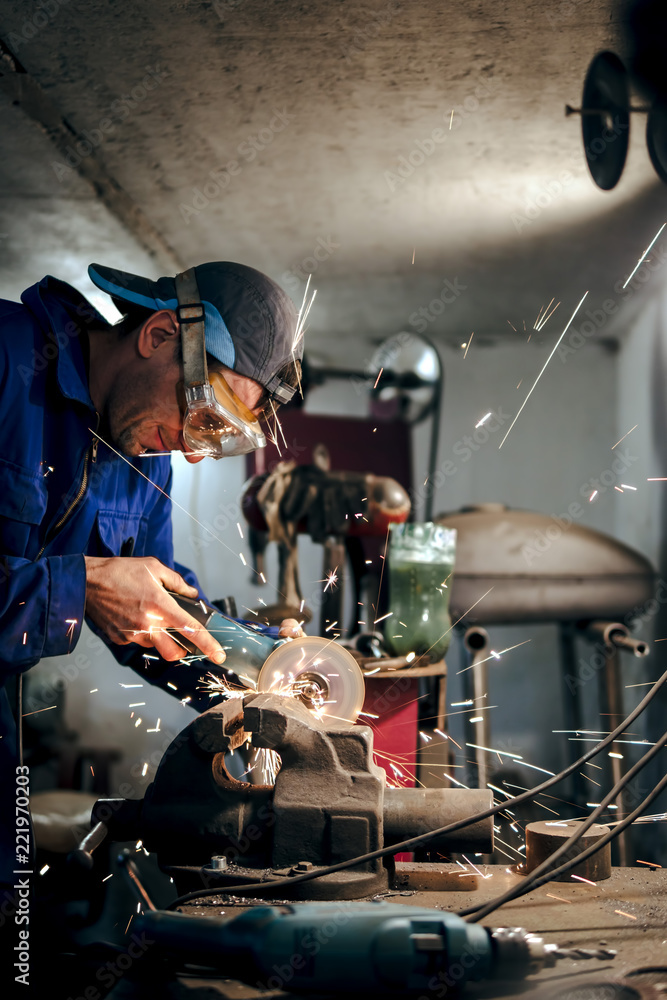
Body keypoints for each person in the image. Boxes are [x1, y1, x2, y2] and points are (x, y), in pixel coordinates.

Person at [0, 260, 303, 958]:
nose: (194, 451)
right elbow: (90, 588)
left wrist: (259, 664)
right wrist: (74, 587)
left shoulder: (142, 455)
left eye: (219, 435)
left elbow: (157, 609)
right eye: (201, 416)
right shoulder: (8, 359)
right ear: (160, 334)